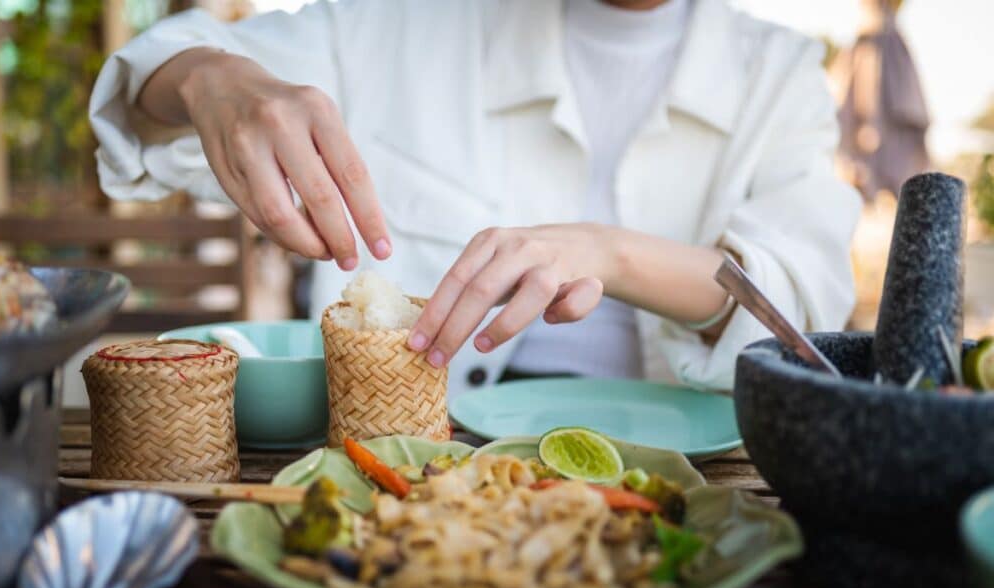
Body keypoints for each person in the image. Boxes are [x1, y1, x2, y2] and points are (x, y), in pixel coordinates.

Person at [89, 0, 861, 396]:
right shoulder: (405, 25)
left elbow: (802, 310)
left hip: (704, 490)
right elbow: (151, 96)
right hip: (418, 476)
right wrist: (207, 79)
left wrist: (605, 250)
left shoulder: (779, 73)